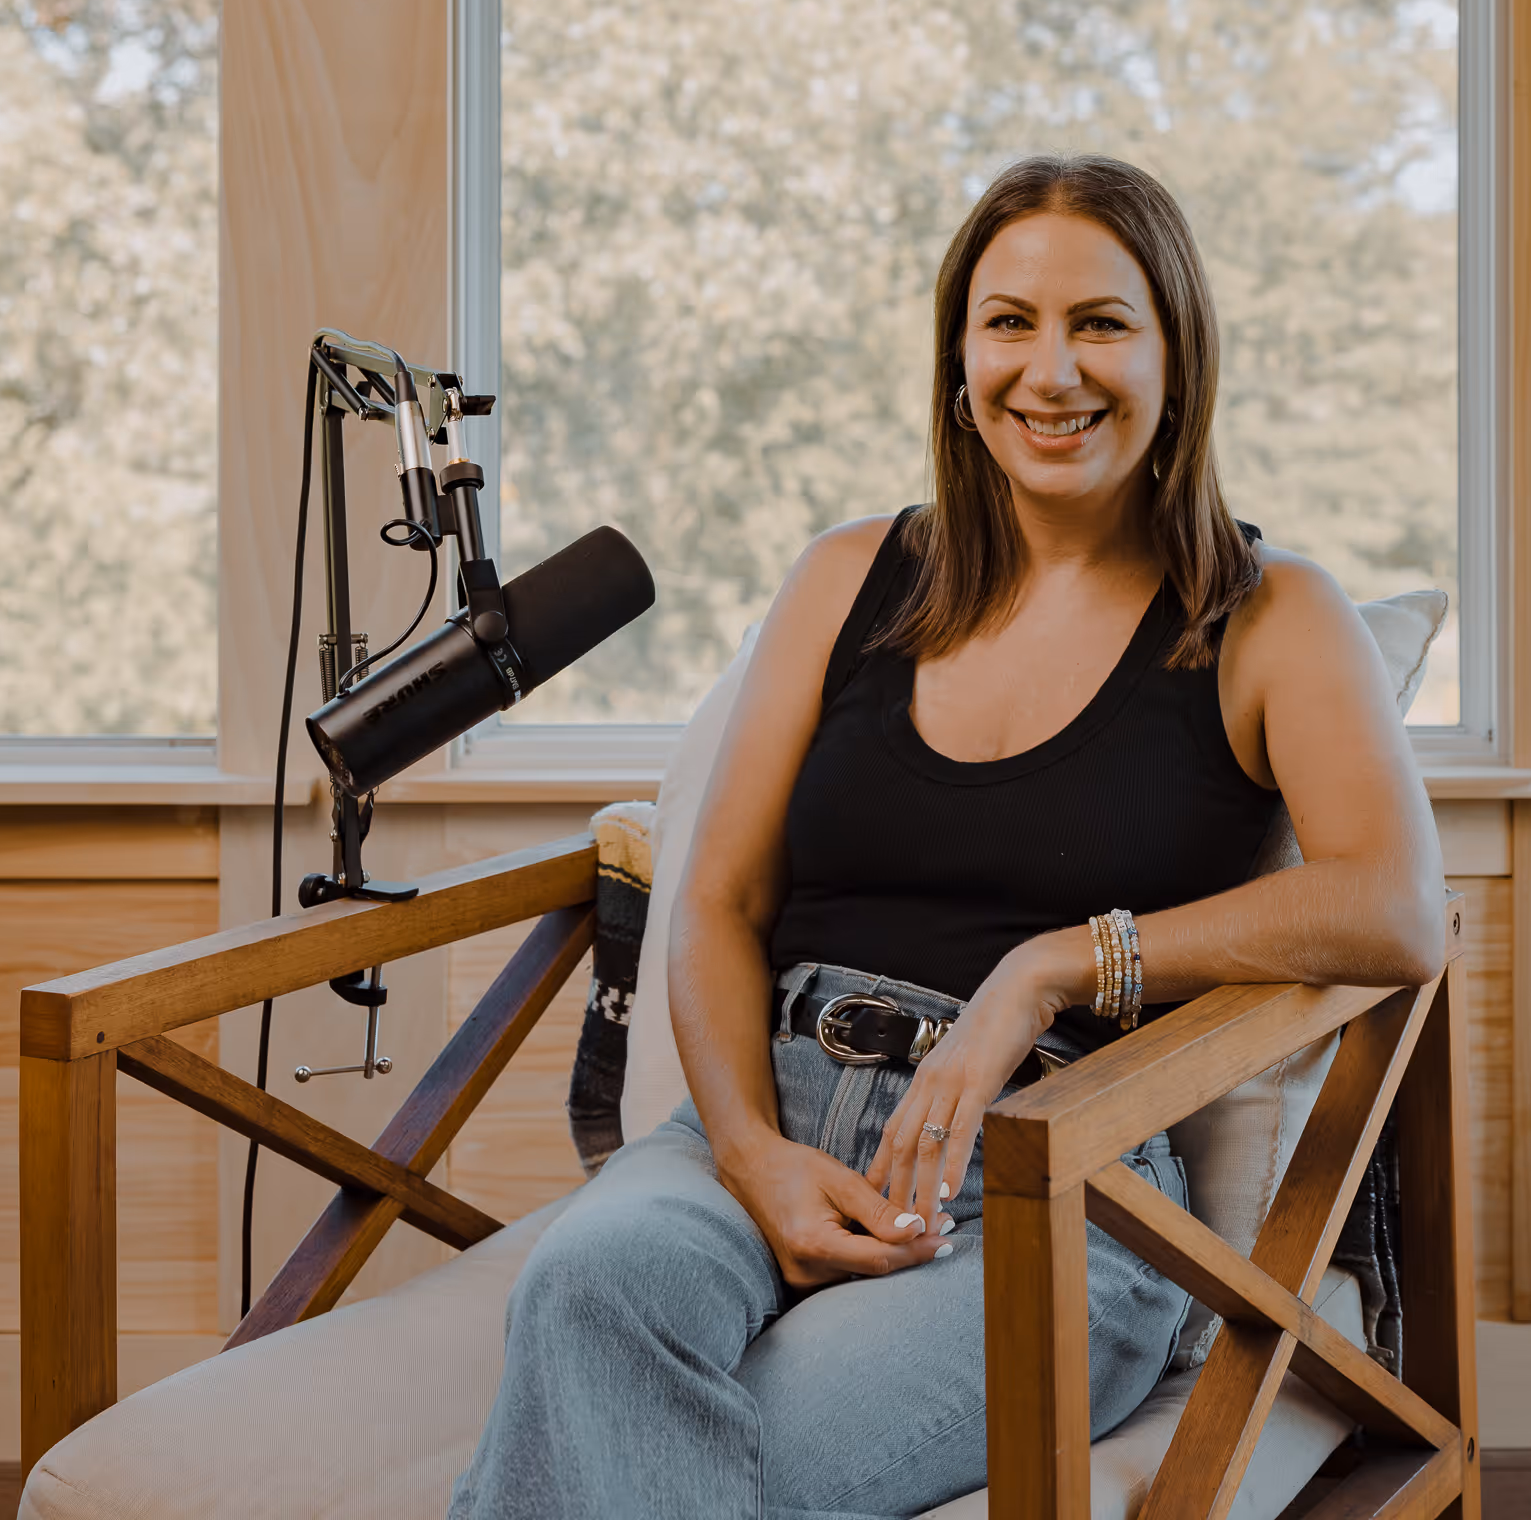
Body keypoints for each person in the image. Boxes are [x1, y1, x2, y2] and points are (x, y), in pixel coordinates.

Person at [449, 154, 1445, 1520]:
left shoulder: (1273, 616)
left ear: (1177, 354)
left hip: (1054, 1181)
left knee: (688, 1465)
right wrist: (749, 1155)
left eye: (1101, 322)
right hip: (763, 1119)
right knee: (587, 1286)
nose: (1052, 371)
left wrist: (1052, 966)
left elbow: (1392, 904)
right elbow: (722, 902)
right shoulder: (847, 576)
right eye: (1009, 322)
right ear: (958, 359)